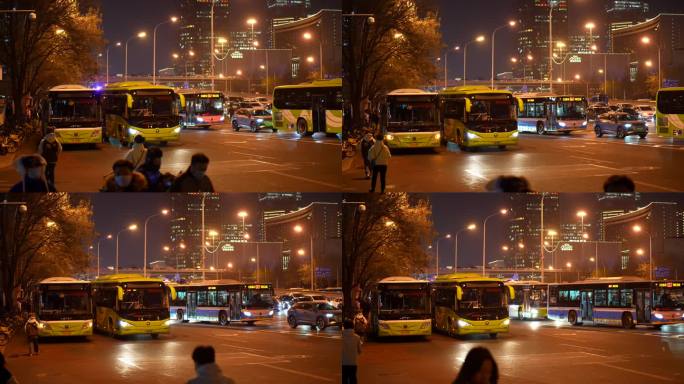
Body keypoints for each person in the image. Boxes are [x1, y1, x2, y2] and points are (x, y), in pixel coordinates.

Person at [342, 319, 362, 384]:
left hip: (343, 363)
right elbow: (360, 351)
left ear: (344, 327)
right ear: (353, 326)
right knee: (353, 378)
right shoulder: (357, 337)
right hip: (353, 362)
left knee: (344, 378)